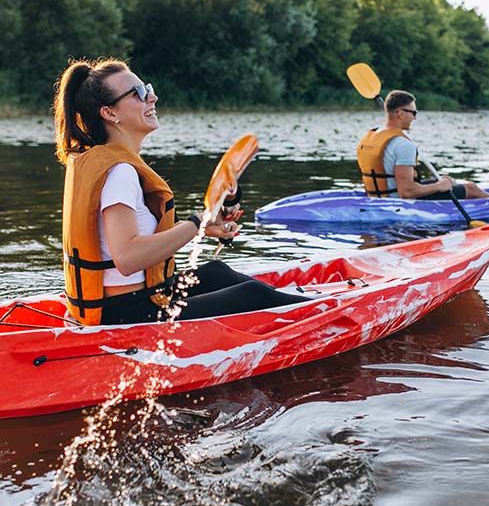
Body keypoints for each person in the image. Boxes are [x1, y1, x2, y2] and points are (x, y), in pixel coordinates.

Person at [53, 58, 307, 326]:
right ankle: (327, 313)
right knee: (251, 294)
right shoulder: (119, 172)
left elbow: (128, 239)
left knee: (216, 272)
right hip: (127, 313)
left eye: (147, 88)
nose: (153, 97)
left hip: (132, 301)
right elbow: (127, 258)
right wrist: (197, 223)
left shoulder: (104, 162)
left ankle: (306, 305)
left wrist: (204, 227)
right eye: (139, 94)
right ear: (109, 113)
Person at [356, 90, 489, 200]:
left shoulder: (370, 136)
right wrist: (439, 186)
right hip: (397, 202)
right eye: (414, 113)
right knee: (470, 187)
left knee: (448, 181)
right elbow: (406, 192)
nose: (415, 118)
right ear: (400, 113)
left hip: (377, 197)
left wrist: (440, 183)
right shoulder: (403, 144)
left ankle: (488, 195)